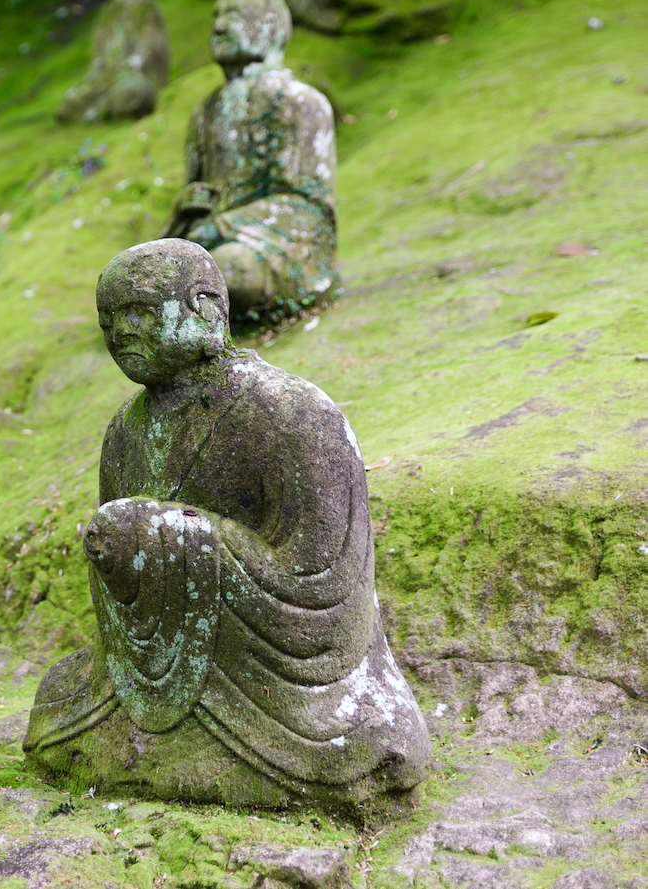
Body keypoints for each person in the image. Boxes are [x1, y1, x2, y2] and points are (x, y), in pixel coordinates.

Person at [24, 239, 428, 813]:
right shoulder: (123, 433)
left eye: (137, 312)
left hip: (282, 682)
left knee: (366, 746)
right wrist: (131, 552)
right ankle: (159, 738)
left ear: (206, 308)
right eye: (107, 320)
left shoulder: (293, 414)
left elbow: (324, 588)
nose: (119, 333)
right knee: (54, 706)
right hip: (153, 674)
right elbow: (120, 605)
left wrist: (174, 537)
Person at [163, 0, 337, 321]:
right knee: (150, 268)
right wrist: (184, 210)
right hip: (209, 237)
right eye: (216, 16)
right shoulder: (205, 110)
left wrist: (224, 226)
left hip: (274, 244)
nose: (219, 26)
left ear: (272, 28)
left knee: (221, 270)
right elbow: (199, 191)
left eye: (235, 16)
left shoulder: (300, 102)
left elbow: (308, 204)